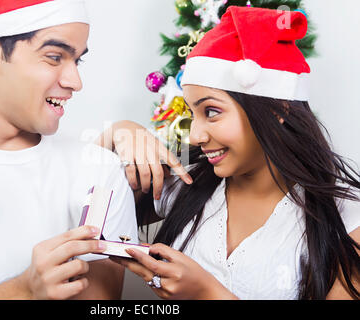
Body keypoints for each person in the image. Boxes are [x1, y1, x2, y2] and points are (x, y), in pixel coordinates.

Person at [99, 6, 360, 299]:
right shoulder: (186, 184)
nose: (196, 136)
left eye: (211, 111)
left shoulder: (348, 220)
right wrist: (118, 132)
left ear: (278, 110)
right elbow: (84, 210)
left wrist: (207, 293)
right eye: (192, 113)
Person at [0, 0, 140, 300]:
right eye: (54, 57)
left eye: (77, 61)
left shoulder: (99, 172)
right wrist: (22, 291)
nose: (75, 82)